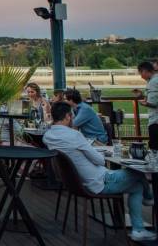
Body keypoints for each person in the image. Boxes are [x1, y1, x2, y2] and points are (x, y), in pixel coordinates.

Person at [43, 101, 155, 242]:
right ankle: (149, 199)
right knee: (138, 173)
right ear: (67, 116)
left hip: (77, 183)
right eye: (72, 115)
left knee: (137, 186)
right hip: (99, 182)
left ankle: (139, 227)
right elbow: (100, 161)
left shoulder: (47, 136)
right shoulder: (74, 136)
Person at [137, 62, 158, 149]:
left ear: (145, 71)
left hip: (155, 120)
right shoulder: (153, 80)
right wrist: (142, 95)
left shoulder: (153, 82)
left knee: (154, 148)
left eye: (141, 73)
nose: (141, 76)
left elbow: (154, 104)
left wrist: (144, 104)